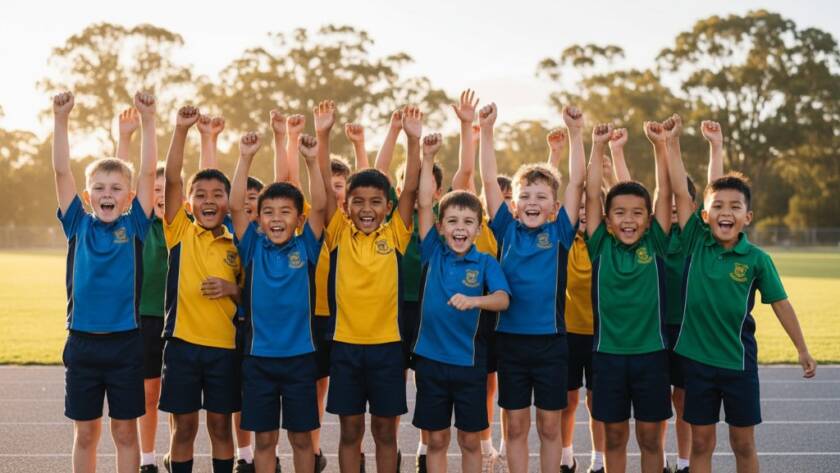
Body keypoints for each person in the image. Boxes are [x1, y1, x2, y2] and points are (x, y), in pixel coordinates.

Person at [665, 114, 816, 473]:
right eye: (717, 207)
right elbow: (694, 188)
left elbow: (781, 304)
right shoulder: (696, 242)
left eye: (735, 207)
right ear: (704, 215)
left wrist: (802, 348)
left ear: (748, 217)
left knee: (742, 443)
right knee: (701, 442)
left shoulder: (757, 259)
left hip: (738, 363)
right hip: (697, 363)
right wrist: (673, 144)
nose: (725, 212)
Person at [52, 91, 157, 473]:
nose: (107, 194)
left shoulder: (134, 225)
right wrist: (60, 119)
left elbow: (147, 173)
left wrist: (148, 119)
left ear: (129, 198)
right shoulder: (77, 223)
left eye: (116, 189)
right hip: (82, 344)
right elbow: (62, 171)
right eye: (99, 187)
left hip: (125, 344)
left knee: (126, 433)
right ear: (87, 196)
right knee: (86, 434)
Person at [159, 105, 242, 473]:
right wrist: (181, 130)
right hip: (183, 346)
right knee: (185, 427)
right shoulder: (181, 231)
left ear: (228, 203)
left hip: (225, 348)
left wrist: (231, 288)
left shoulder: (237, 243)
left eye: (218, 194)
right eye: (201, 194)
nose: (209, 200)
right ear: (189, 204)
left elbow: (251, 296)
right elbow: (173, 179)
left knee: (221, 426)